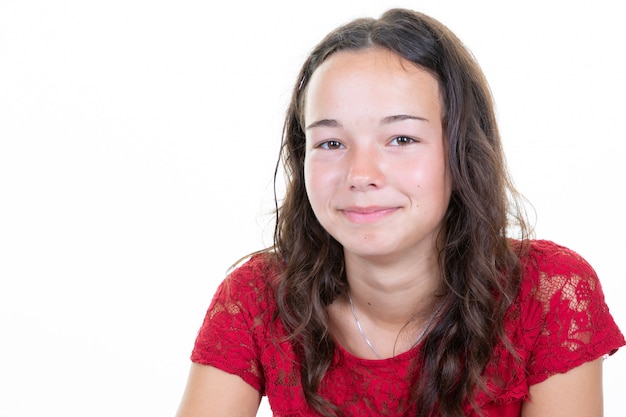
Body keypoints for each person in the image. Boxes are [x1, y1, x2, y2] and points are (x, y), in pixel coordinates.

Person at [175, 8, 624, 417]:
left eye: (401, 139)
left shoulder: (549, 294)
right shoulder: (256, 298)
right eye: (331, 143)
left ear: (460, 151)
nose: (361, 174)